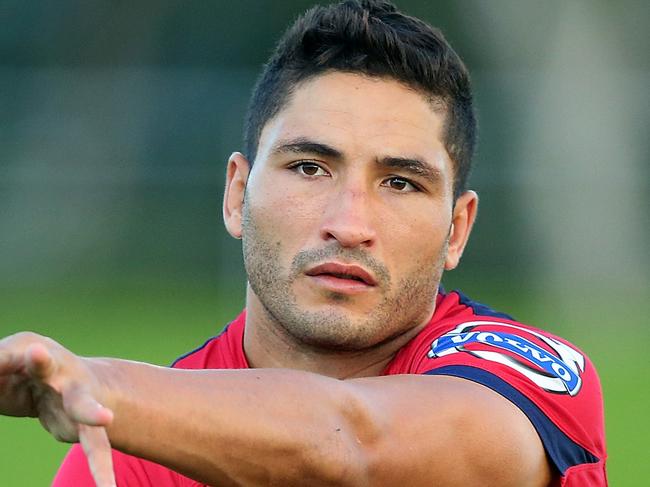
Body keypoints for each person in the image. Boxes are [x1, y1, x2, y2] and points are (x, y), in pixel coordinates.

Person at [0, 1, 606, 486]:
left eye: (400, 182)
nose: (349, 222)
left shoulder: (527, 377)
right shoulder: (136, 452)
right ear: (237, 193)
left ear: (457, 230)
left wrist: (109, 390)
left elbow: (355, 447)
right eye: (310, 167)